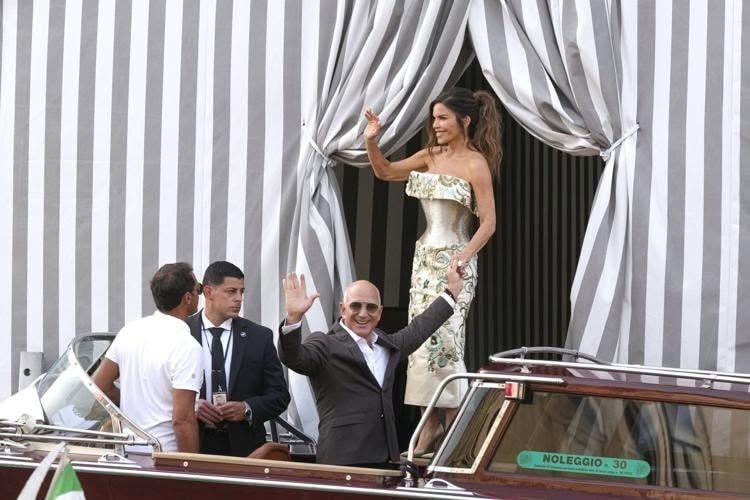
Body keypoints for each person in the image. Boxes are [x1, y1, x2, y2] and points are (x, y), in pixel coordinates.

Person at [363, 87, 502, 455]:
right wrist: (371, 140)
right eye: (434, 118)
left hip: (457, 264)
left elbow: (488, 222)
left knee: (448, 342)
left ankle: (454, 426)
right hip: (424, 261)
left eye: (443, 118)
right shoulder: (429, 155)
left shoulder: (476, 163)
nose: (435, 124)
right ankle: (430, 424)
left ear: (464, 121)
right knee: (421, 340)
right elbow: (384, 171)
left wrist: (463, 257)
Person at [278, 261, 464, 467]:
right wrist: (293, 318)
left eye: (371, 307)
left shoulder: (387, 345)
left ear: (380, 312)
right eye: (355, 306)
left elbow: (420, 328)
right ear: (342, 309)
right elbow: (295, 358)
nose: (363, 313)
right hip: (342, 460)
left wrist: (452, 292)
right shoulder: (325, 344)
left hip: (385, 458)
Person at [92, 262, 204, 453]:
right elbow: (183, 420)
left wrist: (133, 402)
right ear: (188, 297)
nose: (199, 294)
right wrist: (190, 466)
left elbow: (99, 384)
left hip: (127, 450)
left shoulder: (129, 331)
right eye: (198, 289)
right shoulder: (188, 346)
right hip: (163, 454)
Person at [187, 261, 290, 457]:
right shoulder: (182, 331)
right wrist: (191, 406)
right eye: (231, 291)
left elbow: (280, 395)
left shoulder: (259, 336)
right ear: (208, 292)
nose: (239, 299)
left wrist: (247, 408)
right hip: (194, 442)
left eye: (241, 292)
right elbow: (159, 390)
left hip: (245, 448)